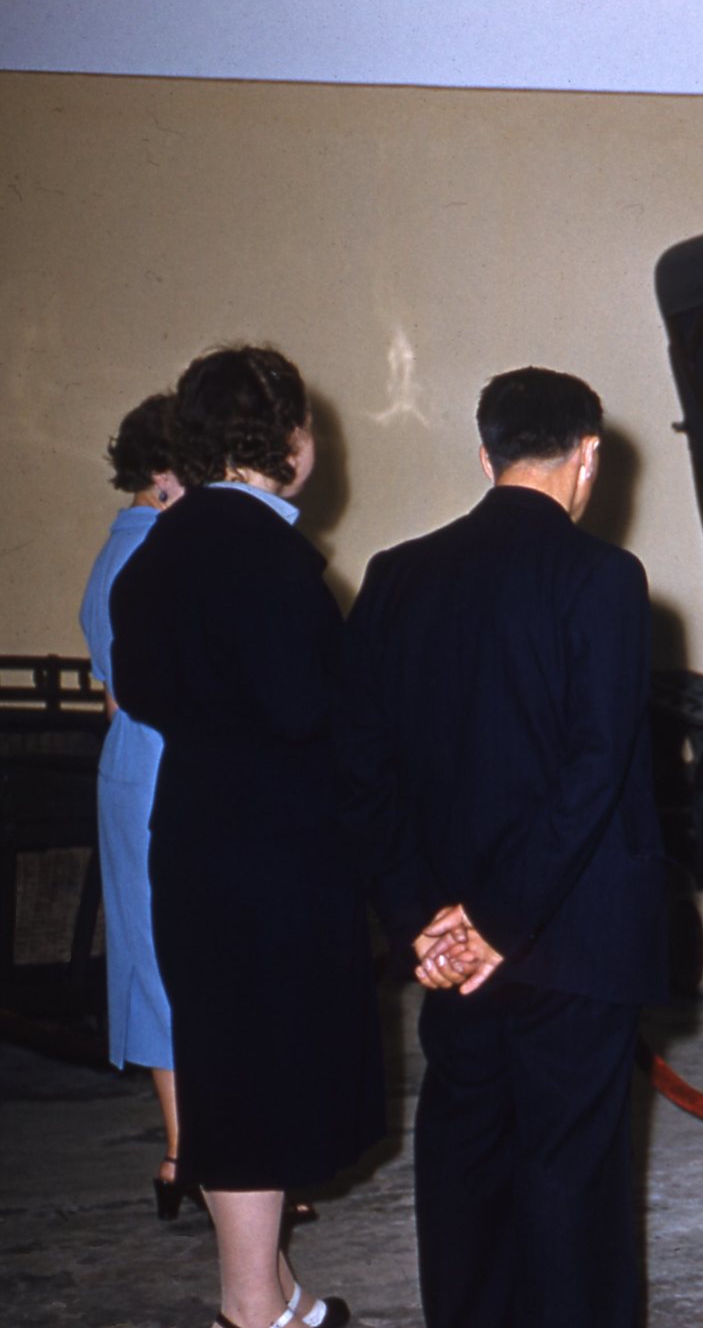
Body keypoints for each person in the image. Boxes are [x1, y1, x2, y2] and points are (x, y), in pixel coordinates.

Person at [338, 366, 666, 1328]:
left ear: (485, 455)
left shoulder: (397, 577)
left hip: (449, 952)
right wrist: (501, 921)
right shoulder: (604, 579)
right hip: (572, 940)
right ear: (589, 457)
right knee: (573, 1185)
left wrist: (426, 924)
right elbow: (593, 768)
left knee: (466, 1168)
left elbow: (359, 767)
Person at [110, 345, 382, 1328]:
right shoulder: (265, 557)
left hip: (192, 832)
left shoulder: (159, 547)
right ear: (292, 442)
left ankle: (262, 1292)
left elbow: (140, 687)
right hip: (278, 848)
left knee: (226, 1070)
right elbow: (306, 702)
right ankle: (249, 1306)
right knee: (268, 1073)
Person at [79, 392, 187, 1216]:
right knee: (168, 962)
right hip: (158, 763)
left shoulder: (121, 545)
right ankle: (189, 1153)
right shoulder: (153, 549)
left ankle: (193, 1150)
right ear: (162, 471)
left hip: (135, 762)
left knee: (161, 960)